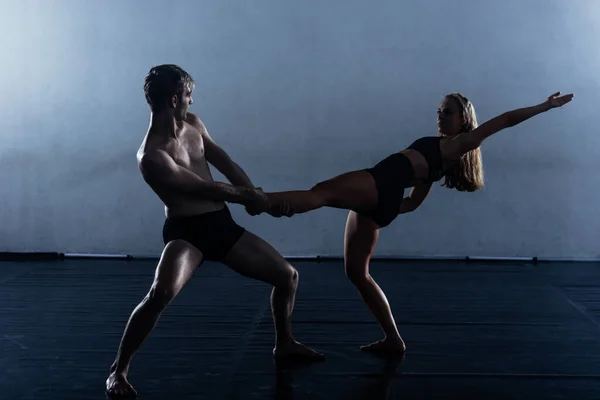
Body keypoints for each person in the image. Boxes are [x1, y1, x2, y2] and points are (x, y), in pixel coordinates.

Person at [263, 91, 574, 353]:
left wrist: (545, 106)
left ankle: (260, 200)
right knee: (357, 273)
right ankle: (393, 340)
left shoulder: (458, 144)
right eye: (439, 111)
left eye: (448, 112)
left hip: (380, 184)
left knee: (321, 193)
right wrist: (382, 205)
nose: (440, 116)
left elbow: (504, 120)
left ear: (463, 119)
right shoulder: (440, 155)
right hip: (383, 200)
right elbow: (411, 203)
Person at [105, 64, 323, 398]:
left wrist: (252, 196)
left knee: (287, 277)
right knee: (160, 294)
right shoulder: (152, 156)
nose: (192, 101)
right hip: (187, 233)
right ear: (176, 97)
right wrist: (256, 198)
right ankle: (118, 371)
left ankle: (285, 344)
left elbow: (226, 163)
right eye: (189, 95)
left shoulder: (194, 124)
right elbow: (206, 189)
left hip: (220, 224)